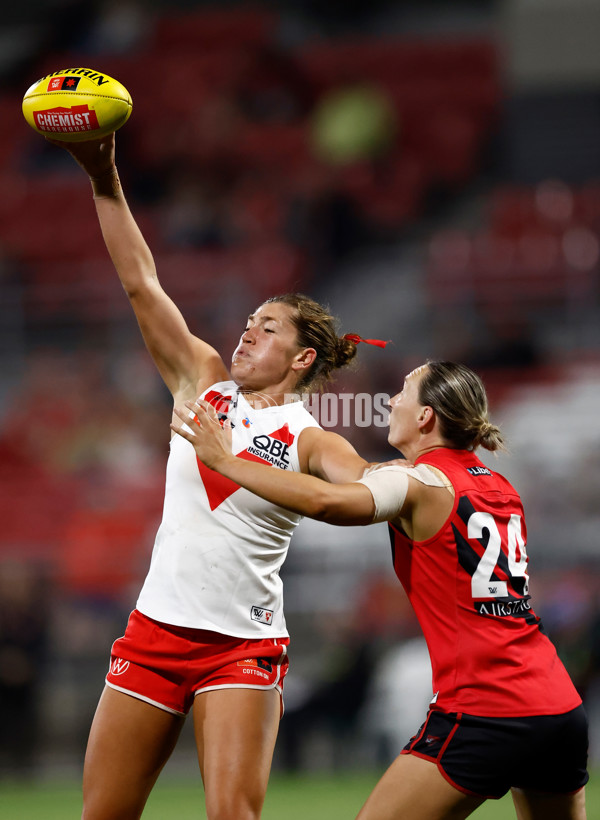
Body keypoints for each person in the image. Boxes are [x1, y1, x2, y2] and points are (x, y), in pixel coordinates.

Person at [48, 132, 382, 820]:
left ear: (302, 359)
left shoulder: (311, 437)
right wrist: (104, 179)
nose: (246, 333)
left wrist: (234, 463)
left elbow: (361, 496)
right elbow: (141, 283)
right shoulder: (202, 384)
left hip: (242, 644)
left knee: (234, 816)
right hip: (153, 633)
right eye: (249, 322)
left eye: (268, 330)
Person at [173, 360, 589, 820]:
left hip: (485, 706)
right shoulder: (502, 488)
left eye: (403, 392)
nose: (390, 401)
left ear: (425, 417)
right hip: (558, 708)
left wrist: (224, 461)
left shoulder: (417, 481)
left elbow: (324, 501)